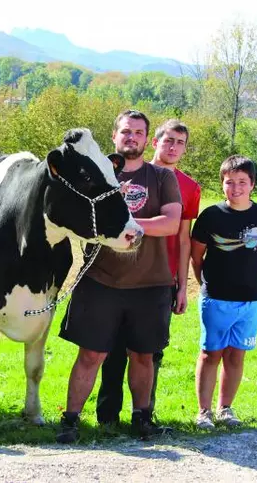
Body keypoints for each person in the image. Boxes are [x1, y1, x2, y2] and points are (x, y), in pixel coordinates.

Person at [56, 110, 182, 443]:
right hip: (100, 281)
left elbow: (171, 223)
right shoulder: (97, 174)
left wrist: (128, 227)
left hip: (150, 284)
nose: (132, 137)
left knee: (143, 355)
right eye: (126, 131)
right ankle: (70, 422)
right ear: (114, 136)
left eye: (139, 132)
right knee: (91, 355)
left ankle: (142, 419)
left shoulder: (162, 178)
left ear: (146, 138)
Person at [96, 119, 201, 429]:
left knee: (148, 351)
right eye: (168, 140)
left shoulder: (189, 187)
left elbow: (183, 238)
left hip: (160, 278)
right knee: (111, 350)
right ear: (154, 142)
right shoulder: (124, 173)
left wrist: (182, 286)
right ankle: (107, 417)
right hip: (115, 273)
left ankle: (144, 415)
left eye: (180, 143)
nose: (173, 147)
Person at [190, 155, 257, 429]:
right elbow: (197, 257)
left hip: (250, 301)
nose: (236, 188)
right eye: (230, 182)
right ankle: (204, 412)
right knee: (211, 354)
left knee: (236, 355)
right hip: (216, 300)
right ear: (222, 185)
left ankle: (225, 409)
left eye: (242, 182)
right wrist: (205, 283)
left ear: (252, 184)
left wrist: (255, 279)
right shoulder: (211, 216)